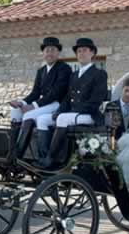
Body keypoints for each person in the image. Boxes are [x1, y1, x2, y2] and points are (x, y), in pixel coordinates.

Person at [34, 37, 108, 169]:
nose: (81, 54)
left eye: (84, 50)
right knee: (42, 119)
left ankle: (51, 159)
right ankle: (42, 157)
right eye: (78, 51)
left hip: (90, 115)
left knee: (62, 118)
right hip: (73, 115)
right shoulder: (74, 75)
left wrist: (69, 112)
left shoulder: (99, 74)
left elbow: (96, 100)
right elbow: (68, 98)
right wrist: (59, 111)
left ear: (92, 53)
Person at [8, 36, 72, 160]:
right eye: (47, 50)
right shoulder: (41, 71)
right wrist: (21, 103)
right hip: (44, 104)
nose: (49, 53)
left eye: (52, 50)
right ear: (43, 52)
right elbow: (35, 93)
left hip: (57, 104)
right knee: (15, 112)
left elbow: (56, 93)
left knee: (28, 115)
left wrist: (33, 106)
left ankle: (19, 154)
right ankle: (12, 148)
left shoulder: (64, 68)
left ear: (58, 52)